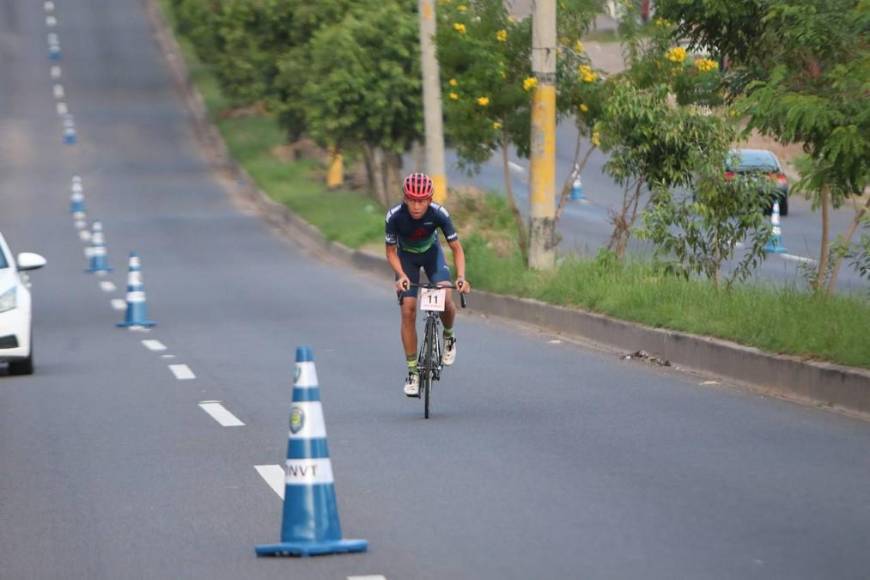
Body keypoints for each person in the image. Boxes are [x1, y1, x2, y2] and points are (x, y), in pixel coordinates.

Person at [385, 172, 471, 397]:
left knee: (445, 298)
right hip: (406, 260)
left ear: (430, 200)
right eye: (412, 199)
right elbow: (391, 252)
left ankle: (449, 336)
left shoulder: (439, 214)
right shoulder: (394, 216)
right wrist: (401, 275)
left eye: (421, 200)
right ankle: (413, 372)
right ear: (405, 198)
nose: (416, 205)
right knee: (408, 310)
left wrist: (461, 277)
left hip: (432, 255)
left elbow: (456, 249)